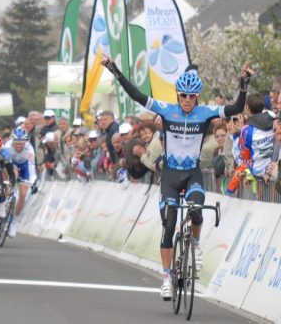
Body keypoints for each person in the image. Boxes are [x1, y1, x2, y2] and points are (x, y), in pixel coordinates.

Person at [101, 54, 250, 300]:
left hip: (192, 174)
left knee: (197, 211)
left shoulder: (205, 113)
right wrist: (113, 68)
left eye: (192, 96)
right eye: (183, 95)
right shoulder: (167, 110)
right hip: (170, 175)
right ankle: (166, 278)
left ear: (197, 97)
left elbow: (234, 108)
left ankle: (197, 247)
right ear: (177, 95)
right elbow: (136, 95)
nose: (188, 100)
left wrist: (243, 84)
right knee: (169, 226)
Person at [2, 127, 37, 238]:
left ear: (25, 142)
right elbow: (3, 166)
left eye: (21, 143)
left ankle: (14, 221)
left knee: (23, 193)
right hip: (11, 165)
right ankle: (2, 204)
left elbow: (32, 168)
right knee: (12, 177)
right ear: (12, 141)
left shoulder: (29, 149)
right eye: (16, 143)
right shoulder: (7, 147)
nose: (18, 146)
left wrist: (33, 181)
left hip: (25, 167)